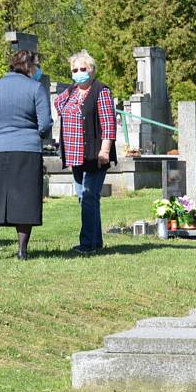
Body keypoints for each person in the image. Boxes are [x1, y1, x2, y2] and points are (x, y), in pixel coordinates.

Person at [0, 50, 52, 260]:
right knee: (26, 198)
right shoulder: (36, 88)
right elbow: (45, 123)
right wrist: (35, 134)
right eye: (36, 66)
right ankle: (22, 250)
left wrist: (0, 131)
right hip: (27, 148)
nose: (38, 70)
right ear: (29, 66)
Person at [54, 49, 117, 255]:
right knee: (84, 197)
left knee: (89, 196)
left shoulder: (101, 91)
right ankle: (96, 241)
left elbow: (108, 125)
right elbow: (58, 104)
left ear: (92, 70)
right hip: (75, 155)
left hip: (95, 154)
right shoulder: (71, 92)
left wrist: (105, 151)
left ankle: (87, 243)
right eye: (75, 69)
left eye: (83, 68)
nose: (79, 72)